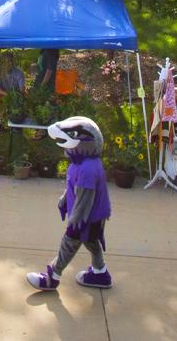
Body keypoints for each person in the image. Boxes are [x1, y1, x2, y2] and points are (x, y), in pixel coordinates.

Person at [26, 116, 114, 291]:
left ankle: (52, 277)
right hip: (93, 215)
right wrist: (65, 200)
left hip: (87, 216)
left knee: (69, 244)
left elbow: (85, 199)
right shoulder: (78, 164)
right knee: (91, 242)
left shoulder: (88, 169)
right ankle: (100, 273)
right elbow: (74, 188)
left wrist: (75, 224)